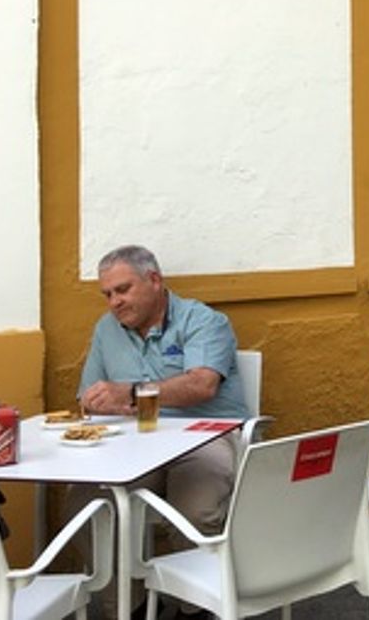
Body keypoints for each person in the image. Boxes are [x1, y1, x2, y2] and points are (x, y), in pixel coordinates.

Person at [69, 244, 248, 616]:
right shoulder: (106, 330)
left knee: (195, 510)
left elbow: (202, 386)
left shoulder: (203, 321)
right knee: (85, 505)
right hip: (136, 442)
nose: (114, 302)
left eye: (123, 290)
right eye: (107, 294)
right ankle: (129, 607)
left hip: (203, 436)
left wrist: (130, 392)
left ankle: (196, 608)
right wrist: (100, 402)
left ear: (154, 280)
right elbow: (87, 395)